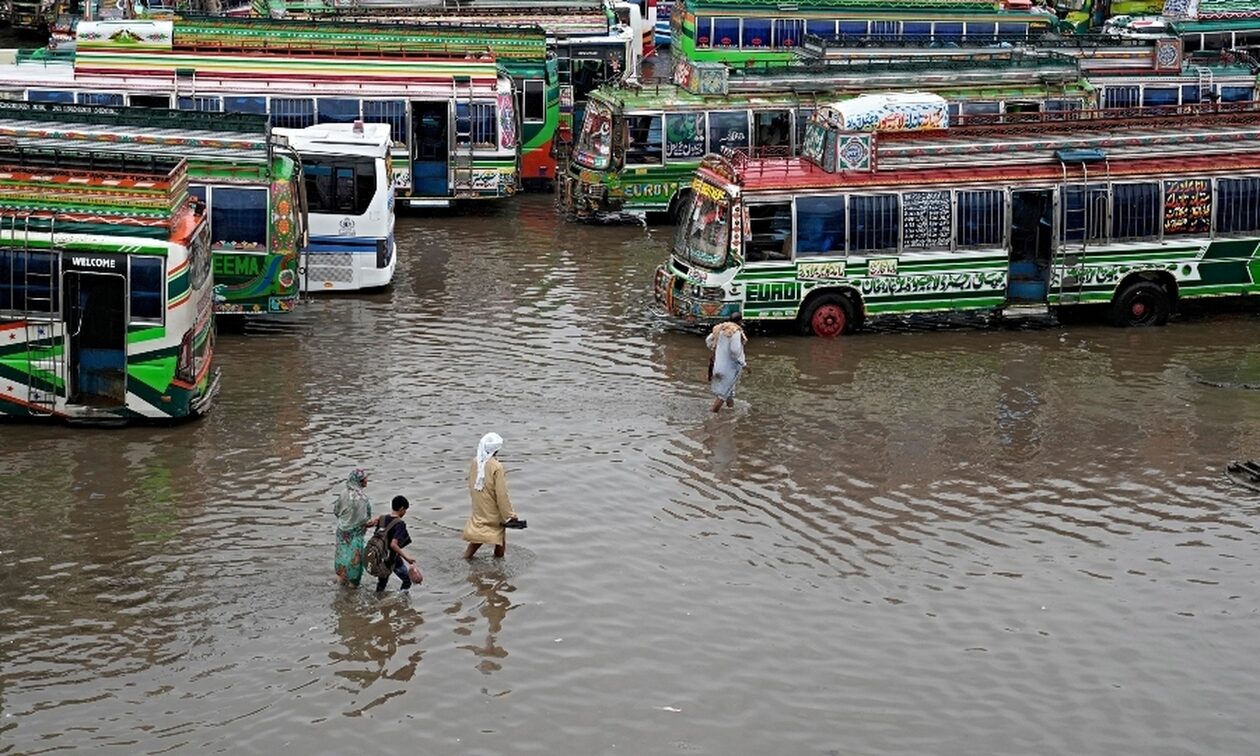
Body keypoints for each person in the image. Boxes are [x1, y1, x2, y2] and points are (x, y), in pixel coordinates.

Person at [463, 432, 521, 559]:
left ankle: (466, 559)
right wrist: (510, 515)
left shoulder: (475, 462)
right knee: (498, 534)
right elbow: (502, 494)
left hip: (479, 505)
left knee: (481, 533)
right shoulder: (497, 466)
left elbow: (471, 483)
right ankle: (499, 565)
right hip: (493, 507)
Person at [368, 496, 420, 592]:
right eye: (405, 510)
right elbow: (393, 544)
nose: (405, 513)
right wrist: (407, 558)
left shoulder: (382, 518)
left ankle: (377, 601)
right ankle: (401, 601)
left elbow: (370, 525)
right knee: (407, 580)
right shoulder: (400, 524)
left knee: (382, 583)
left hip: (380, 556)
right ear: (401, 509)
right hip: (393, 559)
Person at [332, 469, 372, 587]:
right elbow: (365, 520)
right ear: (360, 481)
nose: (367, 480)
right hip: (355, 534)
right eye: (365, 478)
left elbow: (336, 511)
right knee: (354, 561)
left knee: (342, 555)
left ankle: (341, 580)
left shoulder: (343, 493)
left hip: (342, 533)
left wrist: (346, 521)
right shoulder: (363, 499)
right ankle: (352, 587)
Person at [706, 313, 749, 413]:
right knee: (723, 395)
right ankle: (711, 418)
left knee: (729, 391)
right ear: (740, 322)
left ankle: (731, 410)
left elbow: (708, 340)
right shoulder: (736, 332)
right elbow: (735, 351)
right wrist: (744, 364)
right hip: (730, 369)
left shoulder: (720, 328)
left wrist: (716, 349)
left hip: (718, 366)